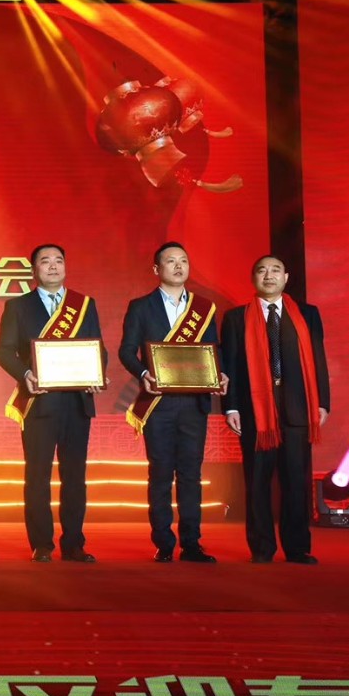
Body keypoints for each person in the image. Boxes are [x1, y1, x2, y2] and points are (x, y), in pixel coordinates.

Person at [0, 243, 107, 563]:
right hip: (39, 403)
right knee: (38, 476)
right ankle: (42, 543)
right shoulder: (18, 306)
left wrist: (98, 373)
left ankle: (74, 544)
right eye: (46, 261)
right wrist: (25, 373)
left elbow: (98, 348)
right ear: (34, 270)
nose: (53, 266)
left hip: (77, 403)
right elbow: (3, 351)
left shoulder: (84, 305)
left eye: (59, 260)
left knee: (75, 477)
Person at [118, 242, 228, 564]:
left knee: (191, 474)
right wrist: (143, 373)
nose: (178, 266)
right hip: (158, 403)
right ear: (157, 269)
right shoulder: (141, 307)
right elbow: (126, 351)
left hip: (194, 403)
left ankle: (191, 544)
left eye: (183, 261)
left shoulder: (203, 308)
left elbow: (213, 350)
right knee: (161, 473)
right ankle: (164, 543)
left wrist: (219, 374)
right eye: (171, 261)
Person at [220, 254, 331, 564]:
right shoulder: (236, 318)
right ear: (253, 278)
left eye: (275, 270)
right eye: (261, 270)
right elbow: (229, 365)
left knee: (296, 481)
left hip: (297, 408)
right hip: (255, 412)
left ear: (286, 278)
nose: (268, 275)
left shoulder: (307, 314)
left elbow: (318, 359)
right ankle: (261, 548)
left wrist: (322, 402)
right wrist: (230, 407)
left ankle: (297, 548)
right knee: (258, 482)